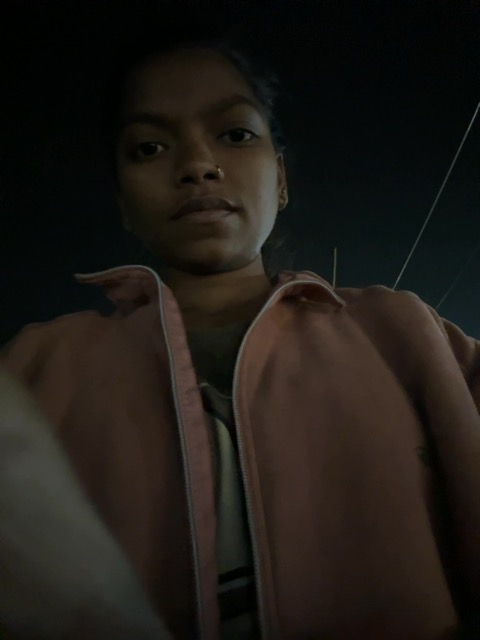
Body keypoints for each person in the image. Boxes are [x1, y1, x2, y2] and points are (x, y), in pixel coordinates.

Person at [1, 33, 480, 640]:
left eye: (234, 134)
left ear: (280, 178)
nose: (198, 164)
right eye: (149, 147)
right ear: (123, 204)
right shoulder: (32, 369)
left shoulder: (406, 332)